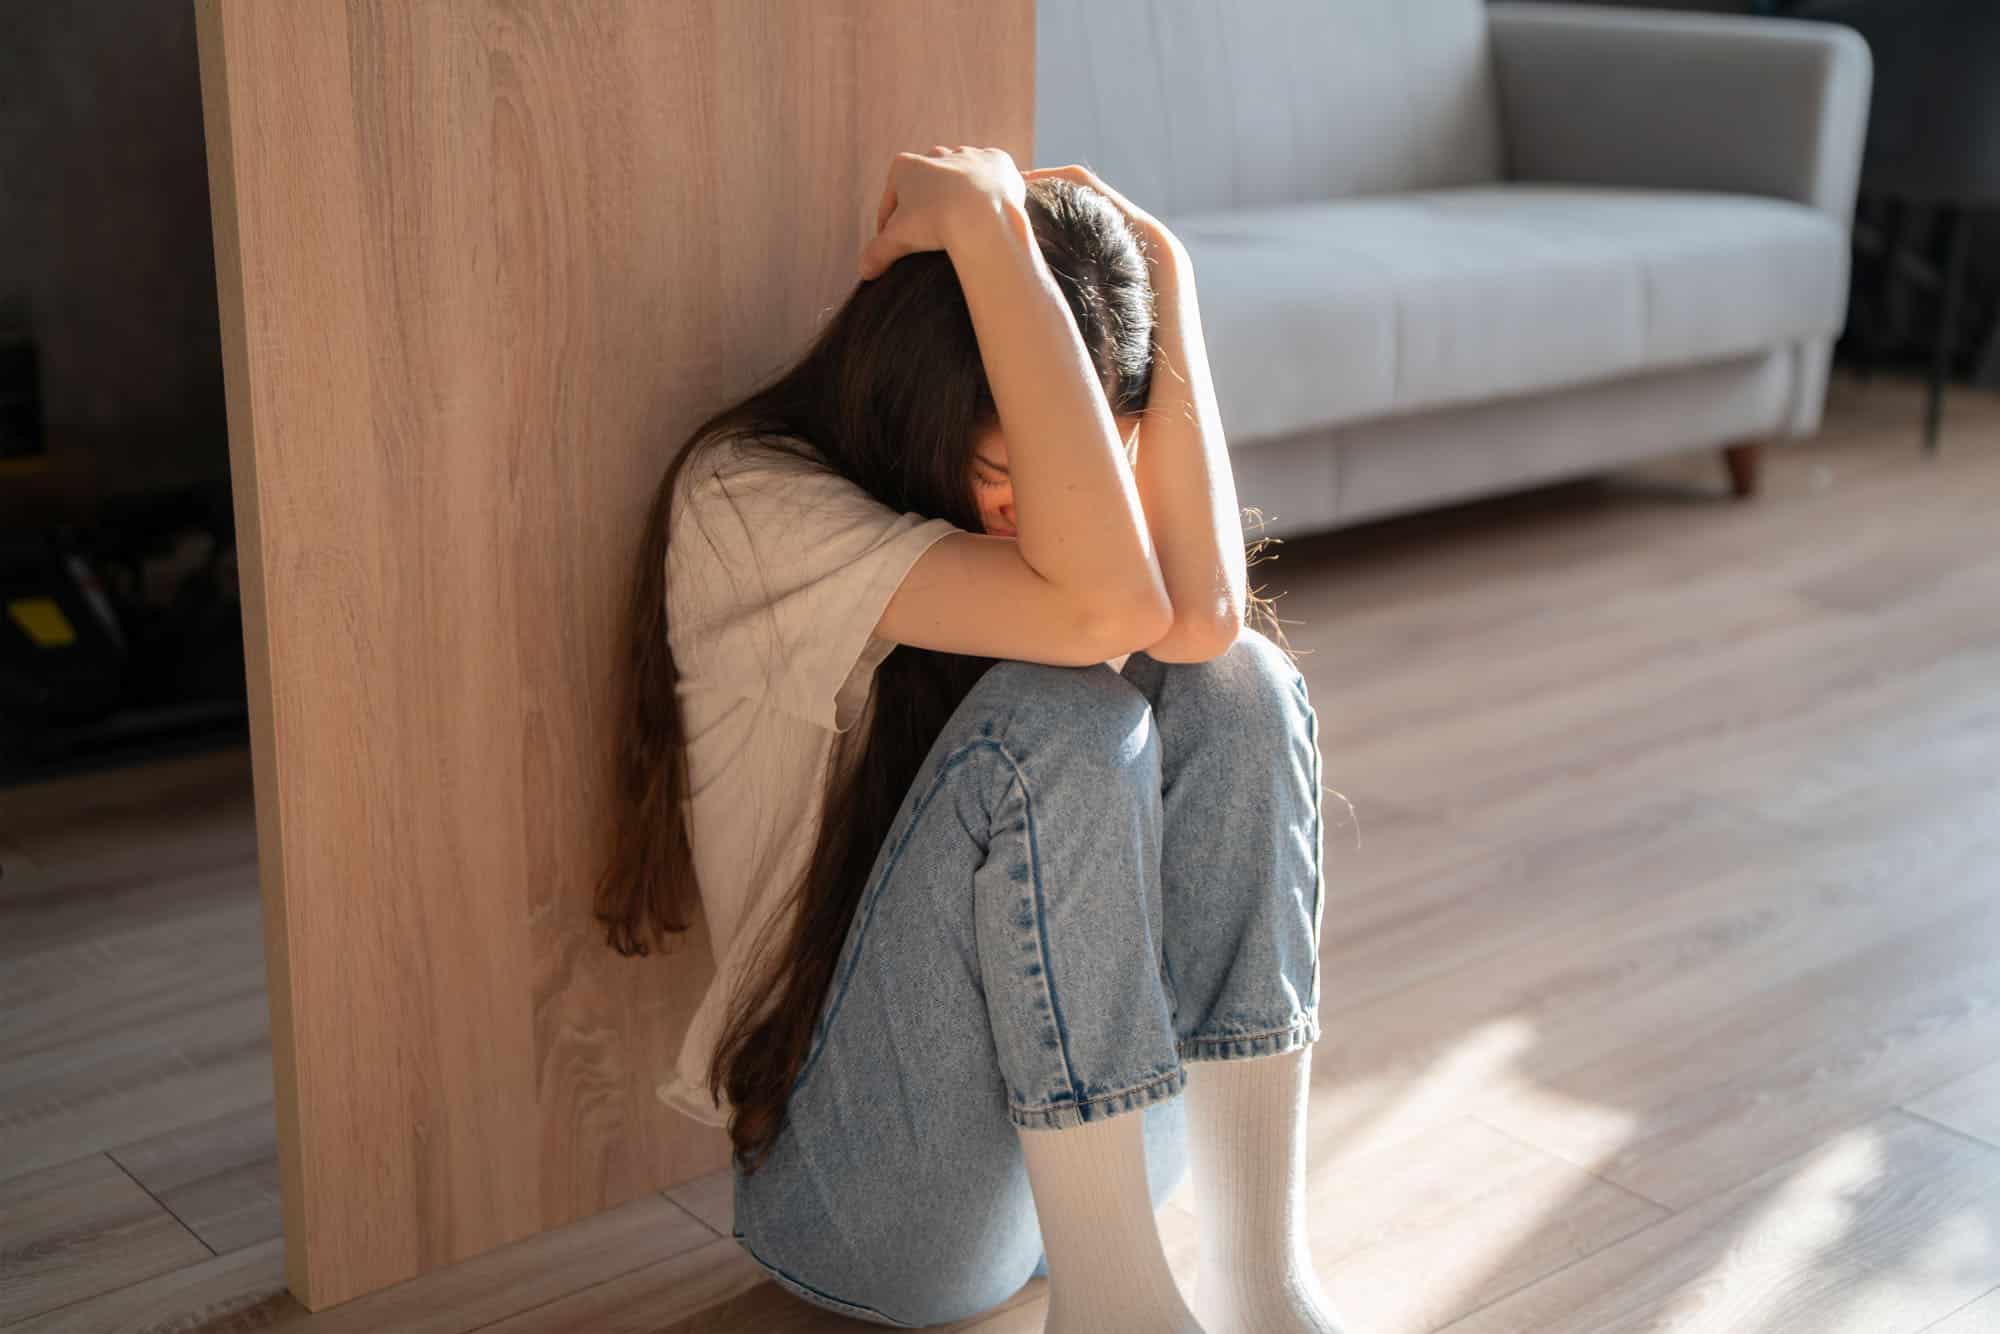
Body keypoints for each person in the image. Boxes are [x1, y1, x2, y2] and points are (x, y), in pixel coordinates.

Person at [594, 145, 1342, 1333]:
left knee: (1239, 680)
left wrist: (1170, 272)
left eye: (1071, 471)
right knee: (1056, 717)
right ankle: (1115, 1314)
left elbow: (1201, 623)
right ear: (918, 400)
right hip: (870, 1197)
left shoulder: (1047, 530)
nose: (1035, 513)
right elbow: (1107, 610)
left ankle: (1262, 1285)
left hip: (1100, 1147)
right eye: (1008, 471)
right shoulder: (745, 502)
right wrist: (991, 238)